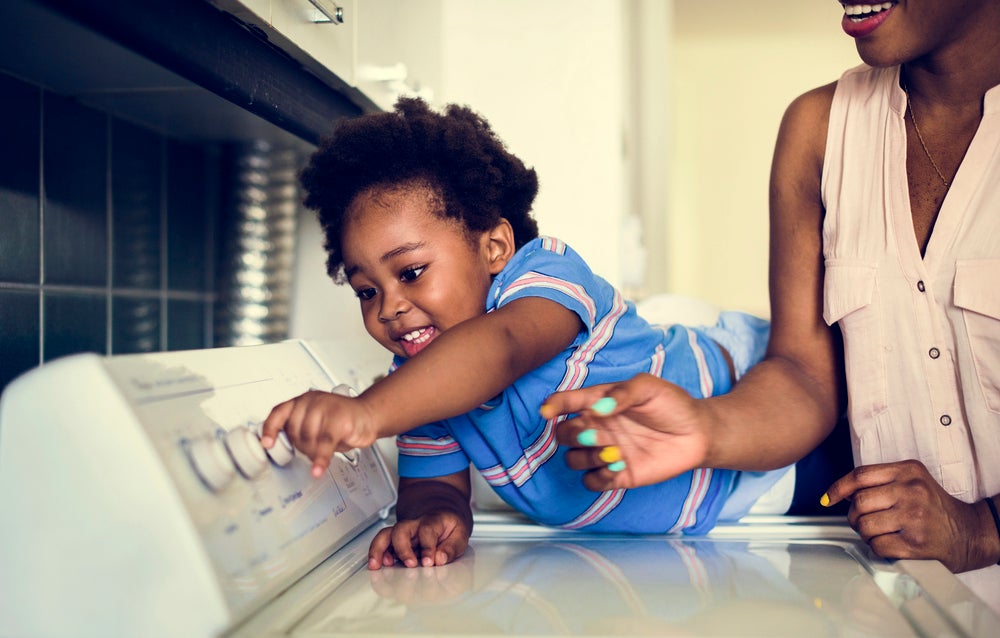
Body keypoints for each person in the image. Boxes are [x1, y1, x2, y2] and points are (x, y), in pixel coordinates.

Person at [542, 0, 1000, 608]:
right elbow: (805, 375)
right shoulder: (819, 129)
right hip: (892, 597)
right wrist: (705, 428)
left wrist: (984, 528)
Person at [261, 97, 808, 572]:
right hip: (706, 518)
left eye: (410, 272)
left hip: (759, 415)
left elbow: (502, 348)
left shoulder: (544, 276)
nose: (389, 309)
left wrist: (366, 411)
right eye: (366, 291)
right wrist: (435, 519)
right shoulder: (420, 389)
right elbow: (435, 485)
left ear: (495, 247)